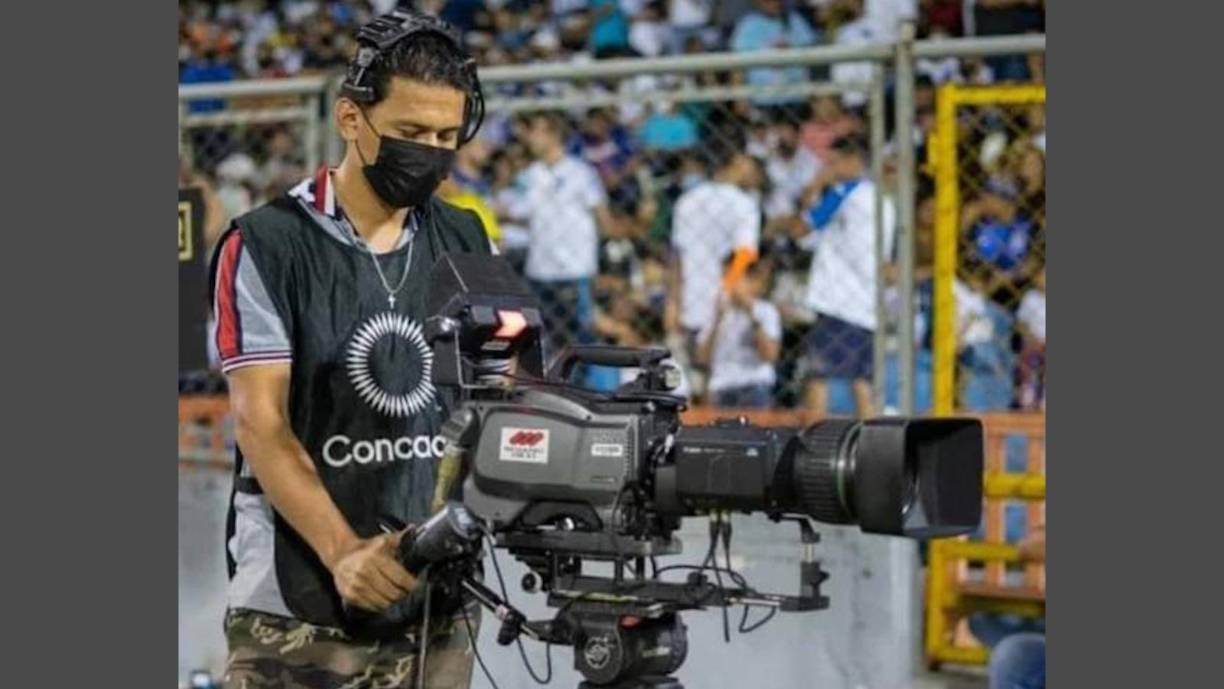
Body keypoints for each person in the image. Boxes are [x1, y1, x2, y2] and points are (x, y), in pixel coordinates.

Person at [210, 9, 494, 688]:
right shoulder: (266, 243)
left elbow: (493, 397)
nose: (429, 149)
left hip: (435, 597)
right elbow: (262, 424)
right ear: (350, 120)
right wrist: (344, 553)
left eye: (446, 136)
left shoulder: (465, 236)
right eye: (409, 132)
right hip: (297, 603)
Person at [795, 134, 895, 416]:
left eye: (833, 161)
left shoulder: (844, 193)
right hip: (868, 306)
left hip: (837, 303)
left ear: (852, 161)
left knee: (817, 378)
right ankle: (874, 452)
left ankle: (812, 449)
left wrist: (815, 185)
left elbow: (802, 228)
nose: (828, 167)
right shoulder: (883, 202)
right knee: (862, 384)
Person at [512, 111, 616, 376]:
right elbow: (517, 212)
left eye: (536, 131)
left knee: (580, 335)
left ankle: (583, 389)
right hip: (539, 269)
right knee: (542, 337)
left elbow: (601, 215)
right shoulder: (530, 176)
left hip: (575, 269)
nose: (530, 138)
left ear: (552, 135)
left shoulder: (581, 173)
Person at [666, 148, 763, 375]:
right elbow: (744, 255)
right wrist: (727, 290)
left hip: (689, 299)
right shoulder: (745, 204)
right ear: (736, 164)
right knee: (720, 377)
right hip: (726, 302)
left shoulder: (687, 199)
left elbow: (677, 258)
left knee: (690, 376)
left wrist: (673, 303)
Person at [696, 257, 782, 408]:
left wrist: (751, 312)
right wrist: (717, 320)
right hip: (721, 386)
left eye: (736, 278)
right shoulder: (715, 311)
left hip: (754, 384)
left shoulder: (765, 311)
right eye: (726, 277)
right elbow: (702, 359)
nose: (729, 284)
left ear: (753, 282)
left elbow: (770, 355)